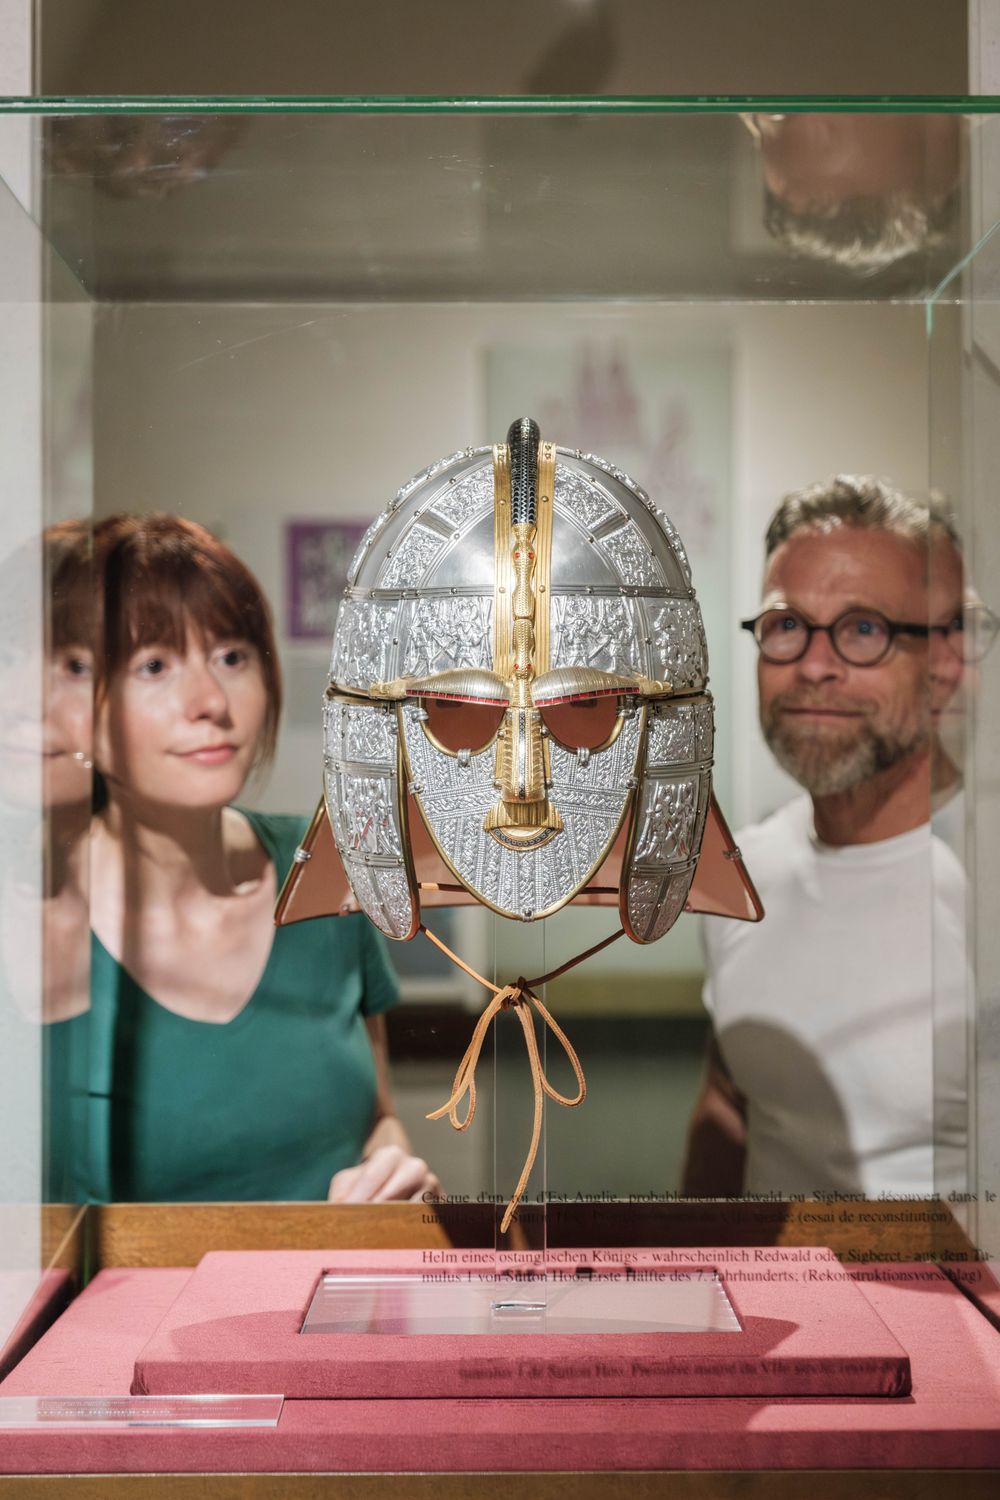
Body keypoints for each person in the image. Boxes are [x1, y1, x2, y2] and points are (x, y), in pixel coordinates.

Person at [77, 512, 438, 1204]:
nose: (211, 701)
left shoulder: (328, 862)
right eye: (154, 665)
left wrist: (392, 1176)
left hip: (331, 1302)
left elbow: (378, 1121)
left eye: (232, 656)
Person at [682, 475, 981, 1199]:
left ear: (942, 665)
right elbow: (731, 1104)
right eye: (787, 626)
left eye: (864, 629)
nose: (815, 666)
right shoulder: (743, 869)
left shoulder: (979, 883)